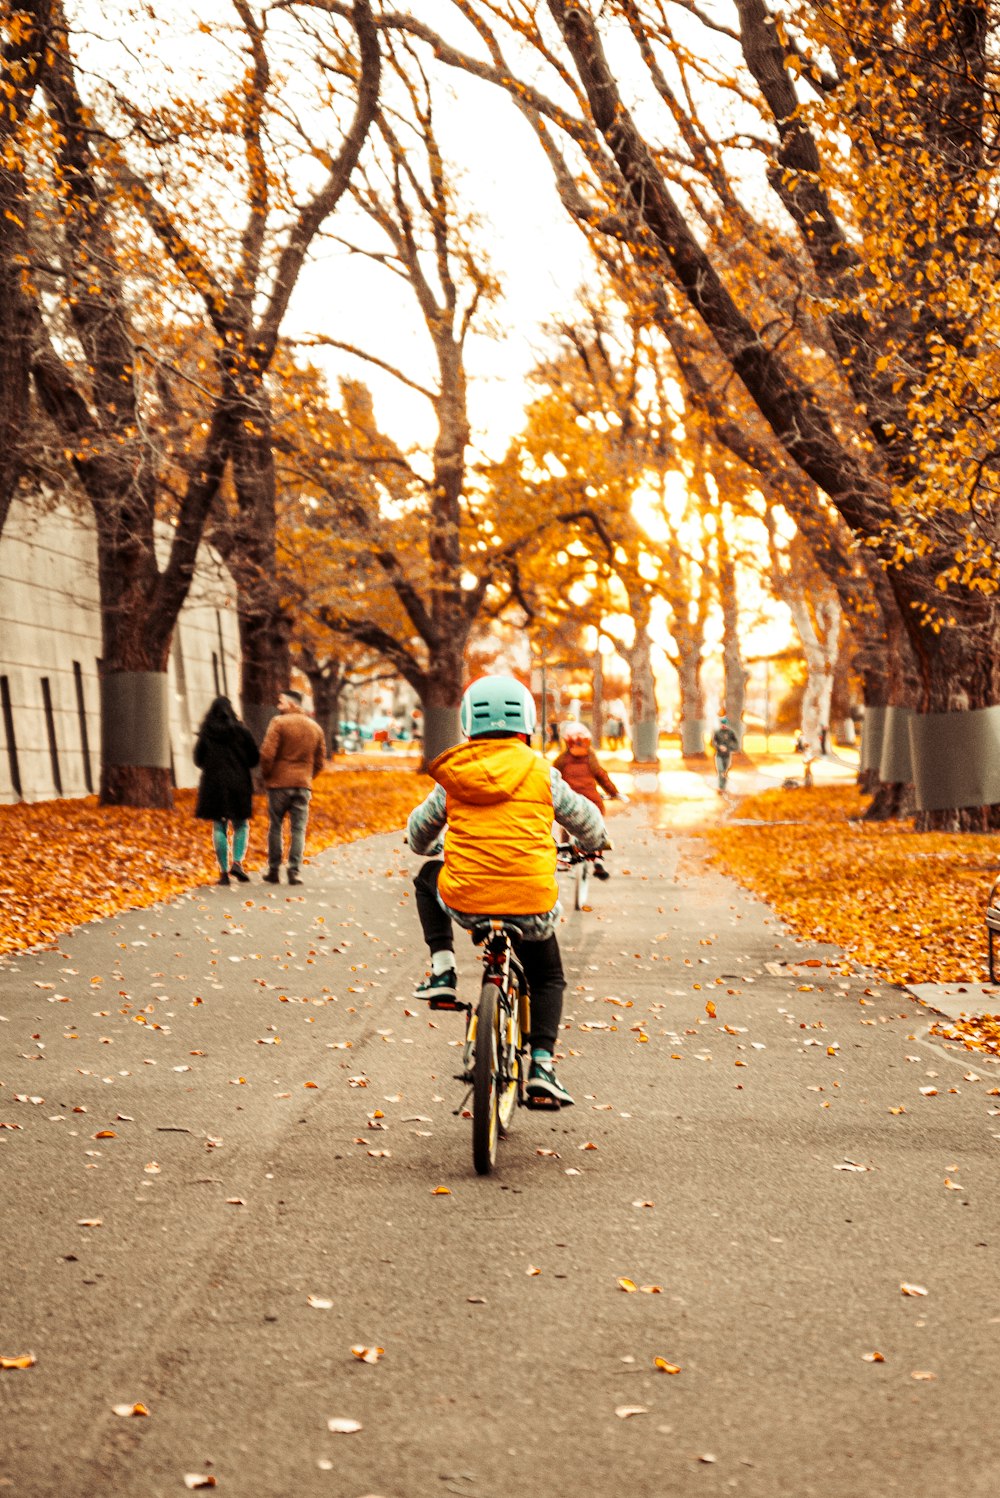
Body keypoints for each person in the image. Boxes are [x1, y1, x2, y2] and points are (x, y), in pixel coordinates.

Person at [407, 675, 607, 1109]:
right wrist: (591, 846)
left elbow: (419, 834)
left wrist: (433, 845)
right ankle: (541, 1065)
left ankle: (442, 969)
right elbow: (590, 824)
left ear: (467, 724)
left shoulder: (453, 775)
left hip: (466, 901)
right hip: (530, 903)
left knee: (427, 876)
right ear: (528, 724)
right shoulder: (544, 774)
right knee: (548, 975)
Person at [259, 689, 327, 886]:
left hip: (278, 784)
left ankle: (273, 870)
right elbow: (320, 761)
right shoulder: (315, 728)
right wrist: (307, 776)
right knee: (298, 829)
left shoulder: (278, 723)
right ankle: (294, 871)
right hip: (302, 785)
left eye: (281, 702)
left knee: (276, 826)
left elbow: (267, 754)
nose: (278, 706)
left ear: (290, 703)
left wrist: (267, 775)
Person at [193, 696, 260, 886]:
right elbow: (254, 758)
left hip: (214, 784)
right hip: (239, 783)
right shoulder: (242, 731)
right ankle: (237, 862)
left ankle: (223, 873)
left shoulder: (207, 732)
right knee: (241, 825)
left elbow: (198, 759)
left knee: (219, 825)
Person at [552, 722, 623, 879]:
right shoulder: (591, 759)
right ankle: (597, 857)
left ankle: (564, 858)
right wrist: (615, 793)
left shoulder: (562, 760)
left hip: (570, 800)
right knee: (597, 825)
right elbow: (602, 778)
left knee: (565, 825)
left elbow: (553, 778)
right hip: (592, 801)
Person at [710, 714, 740, 791]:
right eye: (722, 724)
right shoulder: (717, 732)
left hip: (727, 755)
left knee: (725, 771)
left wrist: (729, 748)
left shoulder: (730, 733)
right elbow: (712, 743)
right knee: (720, 770)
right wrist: (718, 747)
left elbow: (736, 744)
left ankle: (724, 785)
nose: (723, 725)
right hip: (719, 755)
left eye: (724, 724)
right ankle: (721, 788)